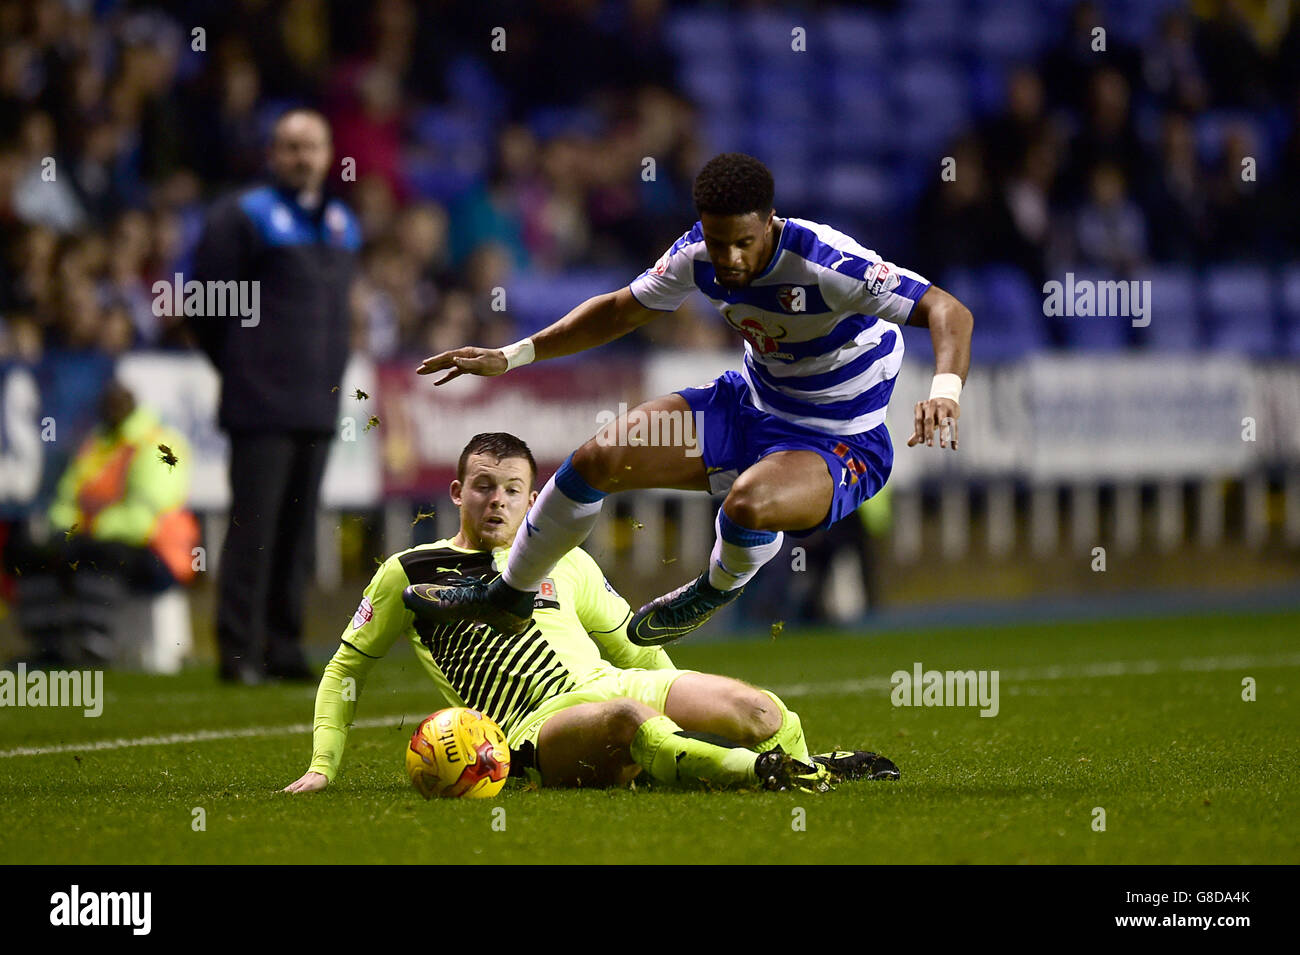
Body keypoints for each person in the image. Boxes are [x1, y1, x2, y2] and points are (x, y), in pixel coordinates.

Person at [410, 152, 972, 643]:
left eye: (743, 244)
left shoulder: (828, 263)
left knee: (748, 504)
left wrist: (944, 392)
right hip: (748, 405)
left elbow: (949, 310)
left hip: (841, 438)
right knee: (597, 458)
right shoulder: (696, 253)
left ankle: (715, 588)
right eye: (717, 241)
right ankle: (508, 597)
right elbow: (619, 310)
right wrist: (512, 355)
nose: (727, 258)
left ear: (770, 225)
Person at [283, 432, 898, 794]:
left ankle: (808, 765)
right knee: (626, 722)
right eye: (482, 485)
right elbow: (344, 669)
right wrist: (322, 766)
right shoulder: (409, 571)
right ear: (456, 493)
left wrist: (680, 693)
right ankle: (761, 774)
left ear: (532, 498)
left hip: (613, 685)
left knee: (759, 708)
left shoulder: (566, 560)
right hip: (528, 730)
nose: (496, 500)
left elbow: (633, 650)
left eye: (511, 489)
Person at [190, 108, 361, 684]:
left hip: (318, 402)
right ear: (272, 154)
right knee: (254, 530)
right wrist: (242, 366)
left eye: (310, 146)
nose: (301, 157)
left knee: (298, 530)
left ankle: (283, 646)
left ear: (329, 152)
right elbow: (205, 306)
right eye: (289, 147)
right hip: (259, 403)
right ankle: (238, 653)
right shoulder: (243, 217)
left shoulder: (342, 221)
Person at [3, 380, 198, 666]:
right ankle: (48, 647)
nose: (110, 407)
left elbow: (145, 516)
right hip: (97, 538)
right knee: (32, 553)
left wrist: (89, 531)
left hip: (157, 550)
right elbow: (68, 499)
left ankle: (94, 642)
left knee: (96, 555)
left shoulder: (160, 444)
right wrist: (60, 533)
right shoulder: (96, 443)